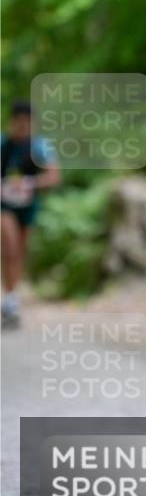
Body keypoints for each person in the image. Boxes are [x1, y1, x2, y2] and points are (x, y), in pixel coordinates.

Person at [1, 99, 60, 328]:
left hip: (27, 204)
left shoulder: (40, 146)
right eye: (19, 122)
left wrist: (30, 183)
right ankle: (10, 297)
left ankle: (11, 297)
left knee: (19, 252)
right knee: (10, 245)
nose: (23, 126)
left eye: (27, 122)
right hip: (4, 205)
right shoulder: (3, 145)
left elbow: (54, 176)